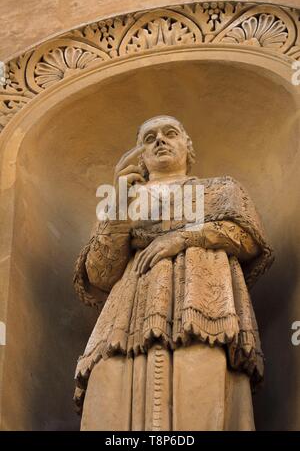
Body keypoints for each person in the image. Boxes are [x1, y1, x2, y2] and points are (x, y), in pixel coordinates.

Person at [73, 115, 274, 430]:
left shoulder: (221, 189)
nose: (159, 140)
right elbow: (100, 274)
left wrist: (185, 237)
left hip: (202, 304)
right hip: (126, 319)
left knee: (201, 382)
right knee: (108, 382)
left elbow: (248, 239)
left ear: (188, 148)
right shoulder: (120, 203)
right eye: (149, 137)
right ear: (140, 156)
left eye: (170, 133)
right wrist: (120, 202)